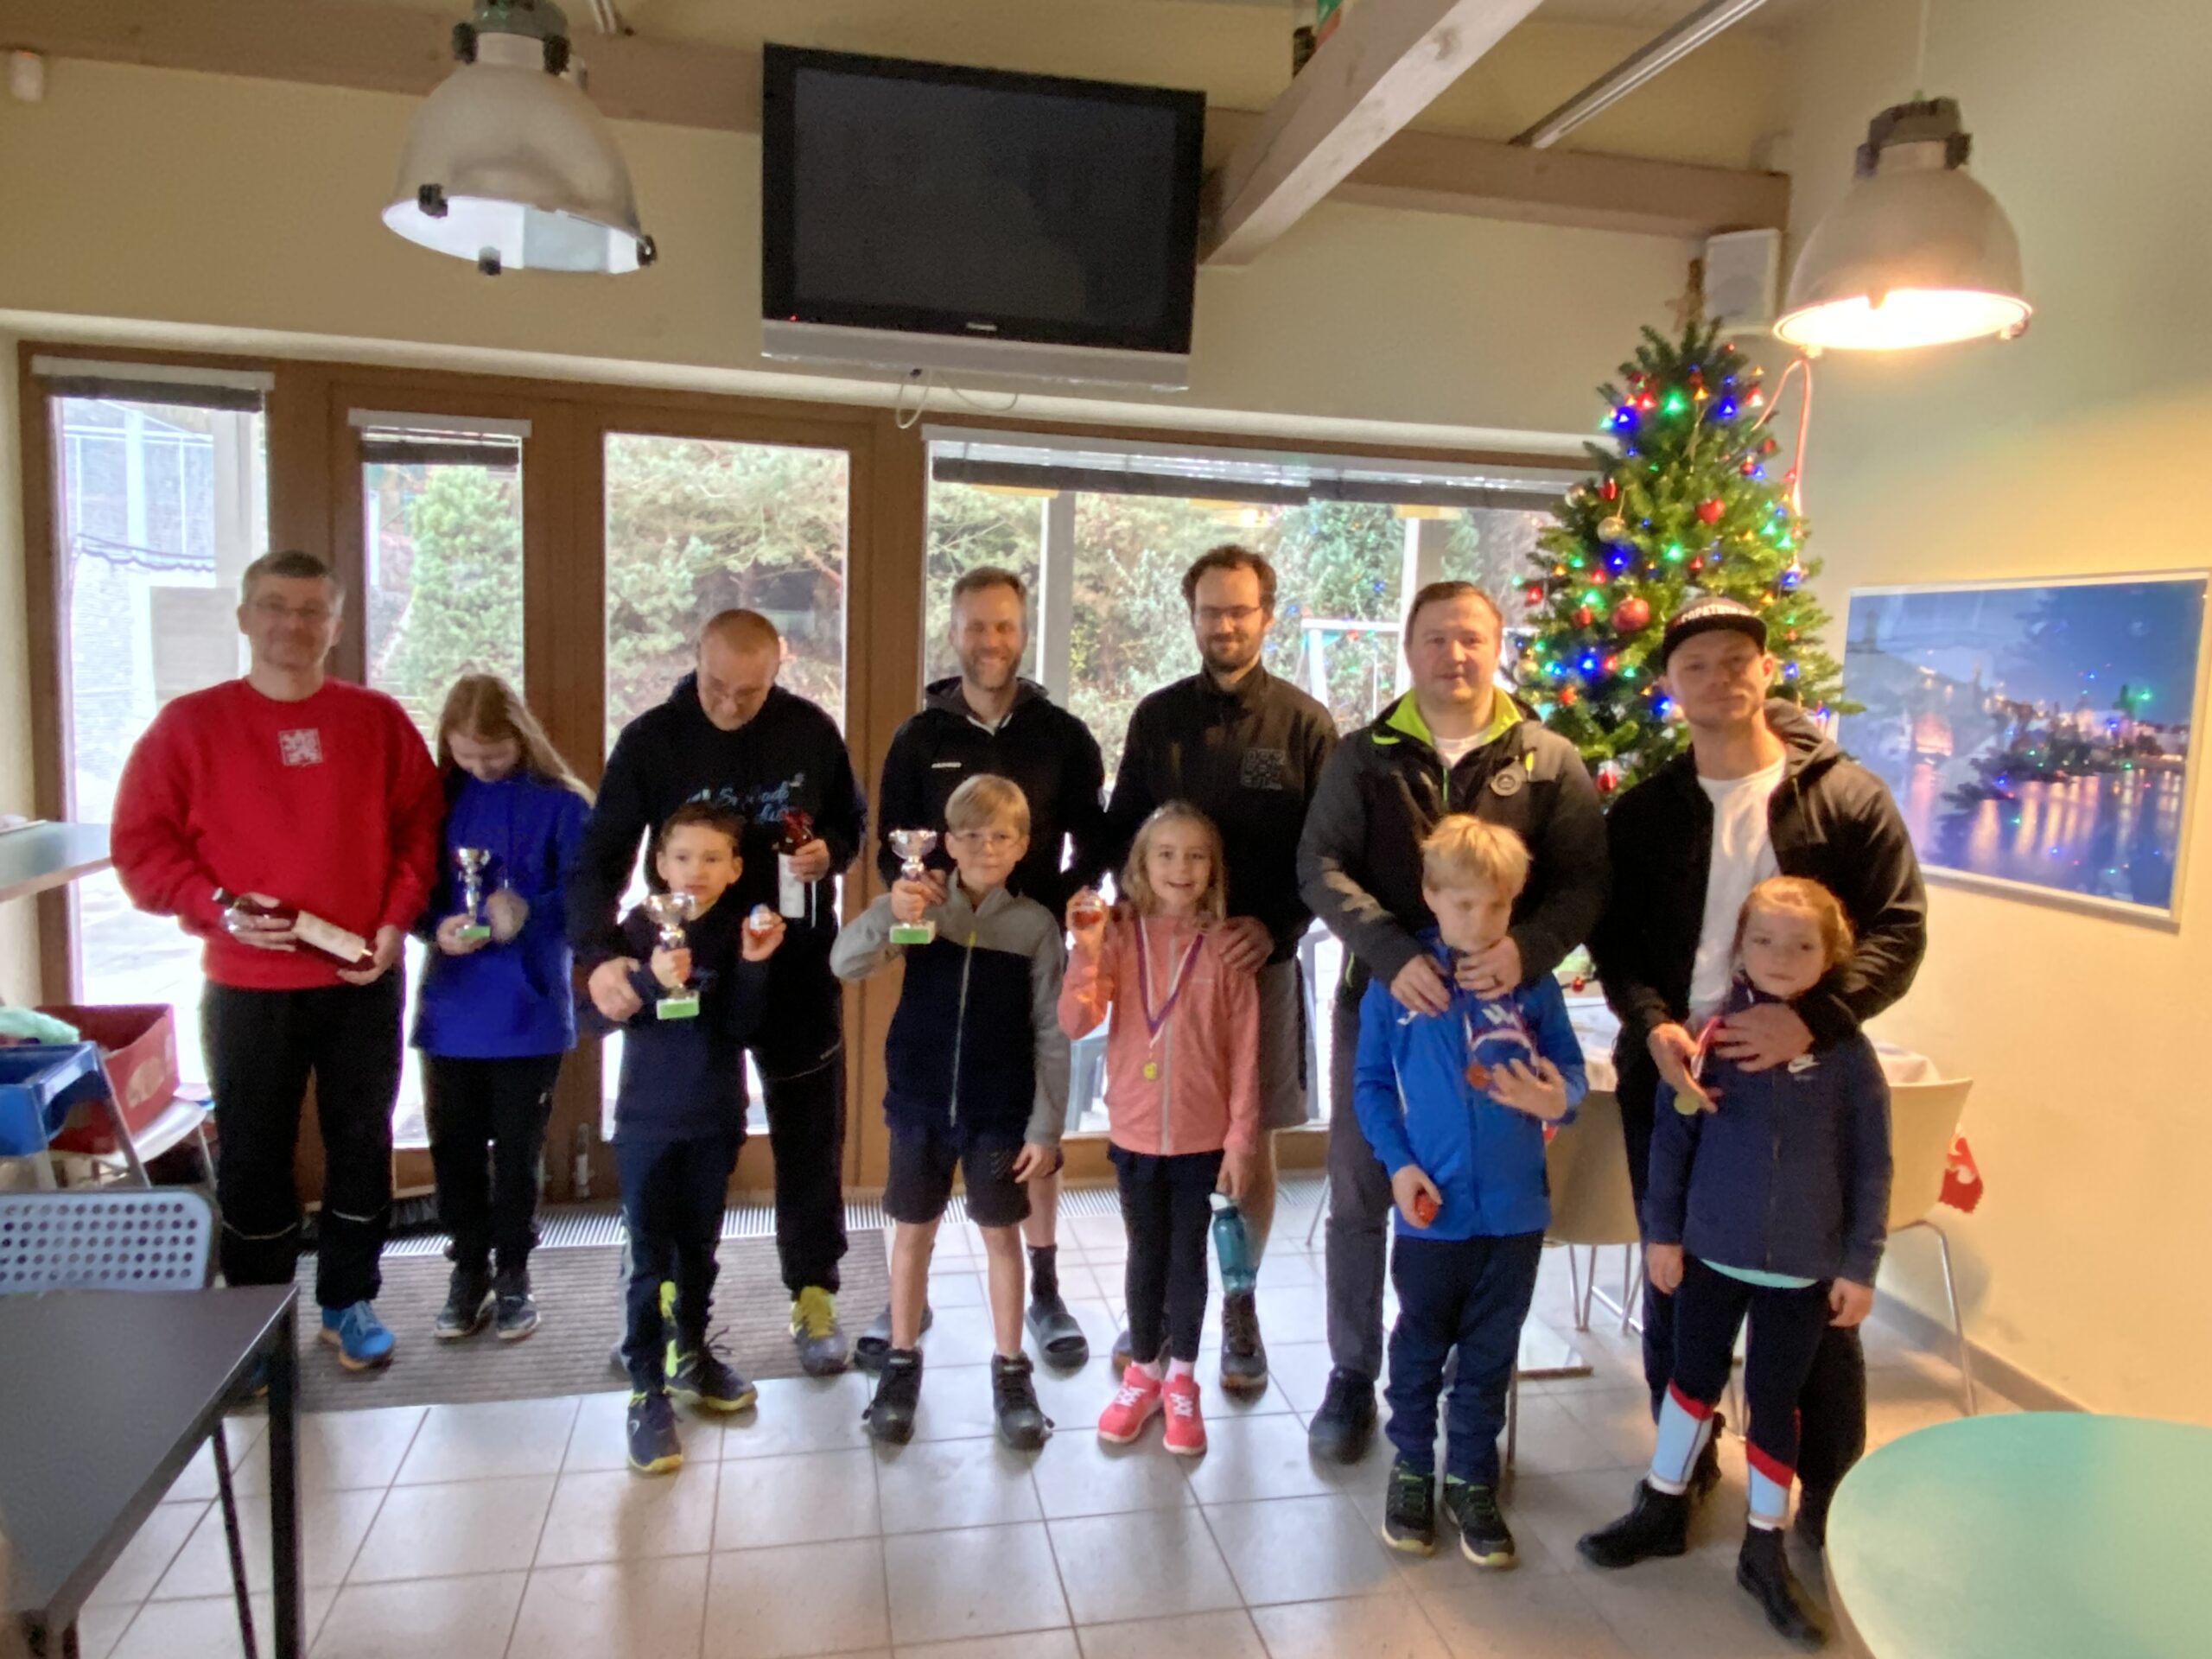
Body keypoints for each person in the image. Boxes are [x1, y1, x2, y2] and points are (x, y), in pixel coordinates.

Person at [1589, 594, 1926, 1543]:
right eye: (1694, 665)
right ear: (1669, 686)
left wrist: (1808, 1021)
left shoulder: (1846, 798)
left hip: (1806, 1081)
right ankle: (1677, 1484)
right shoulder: (1645, 813)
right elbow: (1618, 947)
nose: (1718, 679)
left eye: (1736, 659)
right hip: (1683, 1078)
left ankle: (1828, 1504)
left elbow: (1899, 931)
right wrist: (1654, 1027)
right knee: (1675, 1287)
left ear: (1766, 670)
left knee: (1812, 1307)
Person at [1296, 580, 1606, 1460]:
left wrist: (1528, 950)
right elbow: (1319, 865)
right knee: (1364, 1187)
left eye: (1471, 637)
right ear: (1409, 649)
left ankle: (1476, 1388)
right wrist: (1394, 954)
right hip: (1388, 1003)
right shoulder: (1364, 755)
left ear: (1497, 646)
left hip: (1503, 1007)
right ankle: (1353, 1372)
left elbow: (1586, 880)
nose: (1454, 654)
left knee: (1490, 1195)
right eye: (1435, 638)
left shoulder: (1547, 759)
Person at [111, 550, 441, 1374]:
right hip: (247, 986)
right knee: (255, 1153)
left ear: (336, 625)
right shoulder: (189, 727)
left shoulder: (376, 721)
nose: (292, 624)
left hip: (360, 978)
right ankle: (256, 1322)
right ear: (244, 617)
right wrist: (212, 906)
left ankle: (347, 1301)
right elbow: (142, 848)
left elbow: (421, 830)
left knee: (360, 1141)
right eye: (274, 606)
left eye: (310, 611)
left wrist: (396, 922)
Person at [1580, 876, 1891, 1647]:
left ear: (1832, 956)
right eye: (1764, 941)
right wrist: (1663, 1235)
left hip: (1801, 1270)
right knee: (1690, 1384)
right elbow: (1673, 1141)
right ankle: (1662, 1503)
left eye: (1802, 945)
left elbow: (1873, 1166)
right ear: (1738, 948)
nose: (1781, 957)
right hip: (1711, 1255)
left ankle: (1764, 1545)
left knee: (1774, 1403)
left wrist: (1860, 1266)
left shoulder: (1848, 1055)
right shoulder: (1708, 1038)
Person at [571, 609, 868, 1376]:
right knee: (680, 1146)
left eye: (750, 691)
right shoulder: (651, 739)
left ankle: (813, 1291)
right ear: (694, 659)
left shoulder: (810, 730)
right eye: (716, 686)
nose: (731, 703)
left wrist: (831, 853)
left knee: (810, 1137)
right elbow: (601, 856)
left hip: (791, 966)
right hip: (689, 975)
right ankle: (656, 1304)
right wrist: (600, 956)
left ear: (779, 668)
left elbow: (851, 822)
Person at [859, 565, 1108, 1372]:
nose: (990, 641)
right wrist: (915, 897)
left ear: (1023, 632)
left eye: (1004, 625)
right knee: (935, 1116)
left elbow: (1096, 840)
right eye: (975, 626)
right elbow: (889, 846)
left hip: (1029, 944)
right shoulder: (919, 738)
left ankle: (1045, 1288)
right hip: (944, 945)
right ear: (954, 633)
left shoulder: (1062, 735)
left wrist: (1053, 905)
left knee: (1027, 1111)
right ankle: (910, 1297)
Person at [1104, 544, 1337, 1395]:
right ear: (1192, 615)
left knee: (1251, 1136)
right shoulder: (1158, 717)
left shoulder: (1305, 726)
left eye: (1240, 610)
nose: (1225, 625)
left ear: (1266, 614)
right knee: (1157, 1144)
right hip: (1162, 970)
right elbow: (1125, 830)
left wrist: (1277, 929)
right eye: (1210, 611)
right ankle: (1156, 1309)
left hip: (1257, 961)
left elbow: (1326, 854)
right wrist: (1122, 922)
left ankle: (1238, 1301)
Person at [1357, 816, 1586, 1567]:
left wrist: (1558, 1099)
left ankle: (1471, 1475)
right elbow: (1370, 1086)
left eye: (1496, 906)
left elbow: (1571, 1074)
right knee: (1420, 1345)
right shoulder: (1401, 984)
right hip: (1433, 1211)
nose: (1479, 922)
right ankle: (1413, 1465)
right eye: (1462, 904)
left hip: (1515, 1213)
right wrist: (1399, 1166)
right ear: (1430, 894)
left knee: (1491, 1353)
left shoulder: (1531, 984)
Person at [831, 776, 1065, 1450]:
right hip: (920, 1103)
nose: (985, 847)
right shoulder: (921, 907)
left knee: (1002, 1238)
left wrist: (1045, 1126)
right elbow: (845, 963)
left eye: (1000, 836)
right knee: (912, 1235)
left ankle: (1012, 1372)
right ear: (947, 844)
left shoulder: (1035, 927)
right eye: (970, 835)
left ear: (1021, 845)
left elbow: (1052, 1032)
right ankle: (901, 1364)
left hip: (1000, 1112)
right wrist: (891, 908)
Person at [1063, 803, 1258, 1457]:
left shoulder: (1226, 947)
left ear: (1213, 868)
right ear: (1141, 865)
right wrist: (1087, 951)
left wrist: (1241, 1139)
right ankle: (1143, 1373)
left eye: (1196, 855)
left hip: (1204, 1139)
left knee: (1188, 1257)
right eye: (1166, 854)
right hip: (1137, 1134)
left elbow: (1246, 1052)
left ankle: (1182, 1382)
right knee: (1145, 1253)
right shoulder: (1119, 936)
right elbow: (1075, 1020)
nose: (1181, 867)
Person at [603, 804, 786, 1473]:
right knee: (648, 1260)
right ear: (660, 863)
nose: (696, 871)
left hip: (714, 1116)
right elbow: (607, 1016)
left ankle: (692, 1354)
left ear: (736, 868)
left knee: (700, 1249)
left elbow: (742, 1028)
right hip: (647, 1121)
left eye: (713, 858)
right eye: (682, 857)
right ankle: (645, 1387)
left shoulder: (741, 928)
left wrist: (756, 964)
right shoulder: (635, 928)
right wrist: (649, 980)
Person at [412, 674, 593, 1344]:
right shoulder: (436, 801)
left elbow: (587, 899)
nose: (482, 767)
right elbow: (413, 890)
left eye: (494, 754)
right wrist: (435, 928)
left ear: (522, 737)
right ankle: (468, 1269)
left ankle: (514, 1269)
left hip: (528, 1007)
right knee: (453, 1147)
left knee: (517, 1151)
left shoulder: (564, 804)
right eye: (467, 756)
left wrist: (530, 912)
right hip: (452, 1007)